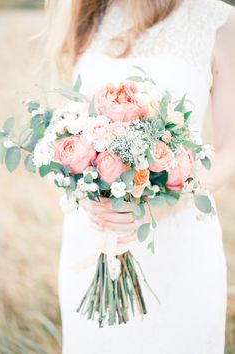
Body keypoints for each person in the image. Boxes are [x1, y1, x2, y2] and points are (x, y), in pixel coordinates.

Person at [46, 0, 235, 353]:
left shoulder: (219, 21)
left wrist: (163, 205)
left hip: (179, 243)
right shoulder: (86, 14)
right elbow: (64, 124)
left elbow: (231, 151)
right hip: (92, 239)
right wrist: (87, 184)